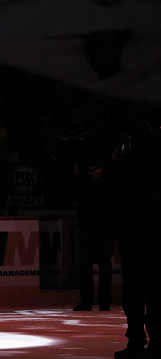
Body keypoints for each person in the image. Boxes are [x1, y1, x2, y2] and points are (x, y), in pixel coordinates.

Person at [109, 119, 161, 359]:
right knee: (154, 288)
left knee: (134, 290)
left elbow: (114, 203)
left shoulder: (123, 167)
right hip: (152, 234)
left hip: (131, 235)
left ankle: (136, 341)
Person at [72, 161, 114, 312]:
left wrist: (100, 180)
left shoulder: (106, 182)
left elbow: (112, 198)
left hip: (103, 227)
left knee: (103, 266)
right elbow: (77, 195)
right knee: (86, 266)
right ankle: (88, 301)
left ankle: (103, 301)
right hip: (90, 227)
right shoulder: (83, 181)